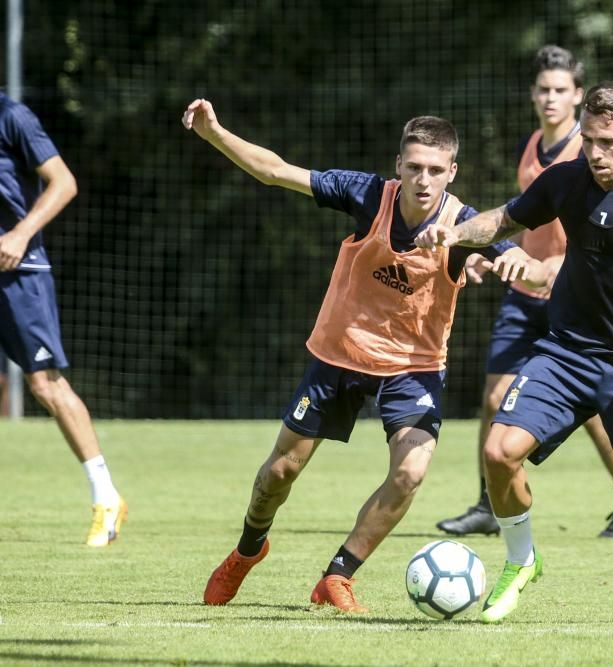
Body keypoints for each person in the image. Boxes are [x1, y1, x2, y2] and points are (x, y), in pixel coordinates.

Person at [181, 99, 543, 613]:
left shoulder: (464, 225)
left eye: (435, 170)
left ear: (452, 172)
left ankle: (338, 575)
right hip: (338, 354)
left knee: (411, 472)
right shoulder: (368, 195)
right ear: (398, 165)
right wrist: (214, 132)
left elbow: (527, 263)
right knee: (279, 474)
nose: (423, 179)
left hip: (412, 370)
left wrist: (521, 265)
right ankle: (246, 551)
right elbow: (275, 171)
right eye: (414, 167)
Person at [416, 82, 613, 626]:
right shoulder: (564, 179)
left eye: (610, 142)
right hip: (565, 352)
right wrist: (453, 233)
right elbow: (505, 220)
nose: (597, 153)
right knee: (498, 450)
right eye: (589, 140)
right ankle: (521, 560)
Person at [435, 45, 613, 540]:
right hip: (523, 292)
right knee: (494, 398)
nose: (551, 98)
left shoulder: (590, 153)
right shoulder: (532, 144)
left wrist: (551, 267)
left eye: (561, 90)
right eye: (543, 89)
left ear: (579, 96)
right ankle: (487, 505)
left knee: (591, 410)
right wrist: (487, 252)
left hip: (571, 294)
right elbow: (528, 222)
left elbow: (594, 237)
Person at [0, 92, 127, 547]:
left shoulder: (11, 115)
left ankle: (106, 496)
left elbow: (63, 183)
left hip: (19, 271)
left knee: (44, 385)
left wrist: (19, 233)